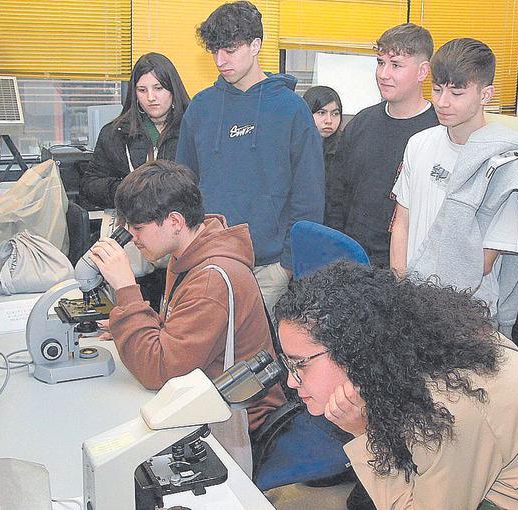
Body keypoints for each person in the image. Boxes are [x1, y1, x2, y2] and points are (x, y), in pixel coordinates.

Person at [272, 262, 518, 509]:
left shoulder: (452, 405)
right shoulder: (414, 355)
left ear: (353, 348)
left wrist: (361, 431)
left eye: (300, 364)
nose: (291, 380)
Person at [88, 160, 285, 471]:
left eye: (138, 228)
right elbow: (176, 330)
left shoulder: (210, 279)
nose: (132, 238)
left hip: (241, 423)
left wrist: (126, 288)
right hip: (203, 393)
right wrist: (136, 325)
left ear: (175, 221)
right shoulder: (188, 253)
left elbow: (158, 369)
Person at [390, 38, 518, 336]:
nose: (443, 101)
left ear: (486, 94)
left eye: (457, 92)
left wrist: (431, 304)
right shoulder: (419, 144)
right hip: (411, 303)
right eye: (437, 90)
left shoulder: (507, 164)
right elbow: (402, 221)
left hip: (465, 315)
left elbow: (483, 262)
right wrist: (402, 289)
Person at [176, 0, 324, 313]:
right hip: (207, 262)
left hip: (268, 269)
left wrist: (286, 266)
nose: (220, 60)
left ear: (255, 45)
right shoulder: (200, 109)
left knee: (258, 360)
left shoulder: (292, 110)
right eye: (214, 50)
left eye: (229, 49)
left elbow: (309, 197)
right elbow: (183, 190)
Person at [325, 23, 438, 266]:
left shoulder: (439, 131)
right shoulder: (361, 123)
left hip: (410, 267)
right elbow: (336, 195)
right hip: (353, 262)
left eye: (396, 65)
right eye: (380, 62)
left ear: (422, 72)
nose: (383, 74)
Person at [82, 52, 191, 210]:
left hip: (181, 221)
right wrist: (129, 190)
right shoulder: (115, 133)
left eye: (158, 88)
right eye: (142, 90)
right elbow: (90, 185)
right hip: (133, 221)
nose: (151, 97)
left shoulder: (193, 129)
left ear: (172, 89)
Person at [302, 85, 343, 167]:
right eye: (321, 113)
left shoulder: (346, 147)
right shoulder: (294, 146)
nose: (329, 121)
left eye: (335, 114)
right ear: (307, 113)